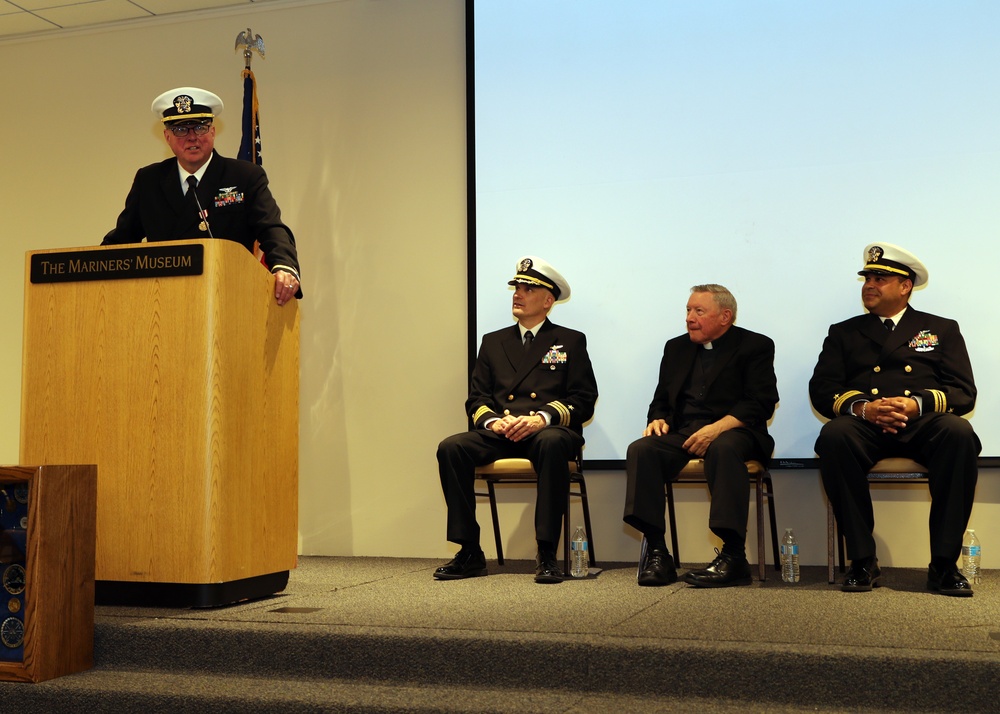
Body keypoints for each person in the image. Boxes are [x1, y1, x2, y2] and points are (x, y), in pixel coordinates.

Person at [810, 243, 979, 596]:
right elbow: (823, 390)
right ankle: (861, 560)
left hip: (921, 424)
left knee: (959, 432)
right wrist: (864, 409)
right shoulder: (844, 332)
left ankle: (944, 565)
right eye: (867, 277)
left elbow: (963, 392)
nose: (869, 284)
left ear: (906, 286)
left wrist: (915, 405)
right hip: (865, 425)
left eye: (880, 278)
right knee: (834, 436)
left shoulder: (940, 328)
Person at [435, 256, 598, 584]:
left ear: (548, 301)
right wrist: (495, 422)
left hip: (547, 431)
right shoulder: (493, 342)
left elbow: (583, 400)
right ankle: (469, 550)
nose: (517, 293)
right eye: (516, 287)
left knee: (553, 443)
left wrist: (542, 417)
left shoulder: (570, 340)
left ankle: (547, 551)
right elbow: (477, 399)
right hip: (502, 431)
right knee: (451, 448)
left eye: (528, 288)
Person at [623, 285, 778, 588]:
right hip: (684, 433)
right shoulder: (676, 347)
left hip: (738, 432)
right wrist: (657, 419)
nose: (690, 318)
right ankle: (657, 552)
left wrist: (717, 427)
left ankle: (734, 557)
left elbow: (760, 402)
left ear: (725, 316)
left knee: (723, 448)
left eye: (698, 311)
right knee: (642, 450)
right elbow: (662, 399)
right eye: (688, 310)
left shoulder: (755, 345)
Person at [102, 87, 301, 306]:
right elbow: (121, 240)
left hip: (228, 298)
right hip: (161, 303)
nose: (192, 137)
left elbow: (272, 228)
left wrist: (284, 266)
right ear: (167, 137)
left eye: (199, 127)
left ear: (213, 132)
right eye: (180, 130)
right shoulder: (149, 180)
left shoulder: (244, 176)